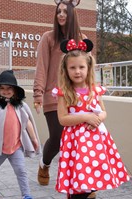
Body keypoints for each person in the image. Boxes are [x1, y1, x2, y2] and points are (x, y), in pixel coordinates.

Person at [53, 38, 130, 199]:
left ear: (89, 68)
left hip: (95, 143)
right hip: (75, 143)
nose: (77, 71)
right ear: (66, 70)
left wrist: (100, 116)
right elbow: (63, 119)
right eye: (72, 67)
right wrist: (86, 116)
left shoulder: (94, 90)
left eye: (81, 67)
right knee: (79, 181)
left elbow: (103, 111)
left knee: (91, 178)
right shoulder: (64, 93)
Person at [33, 0, 86, 185]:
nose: (61, 15)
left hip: (76, 98)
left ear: (72, 15)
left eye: (65, 12)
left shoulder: (82, 40)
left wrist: (92, 93)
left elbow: (86, 70)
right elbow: (42, 67)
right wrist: (38, 94)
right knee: (57, 137)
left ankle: (81, 183)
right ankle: (44, 163)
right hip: (52, 97)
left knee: (77, 141)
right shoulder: (48, 38)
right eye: (58, 12)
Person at [0, 70, 41, 199]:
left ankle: (26, 194)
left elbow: (27, 121)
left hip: (16, 147)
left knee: (21, 171)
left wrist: (34, 138)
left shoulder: (20, 106)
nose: (6, 91)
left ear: (15, 90)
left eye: (9, 88)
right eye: (2, 88)